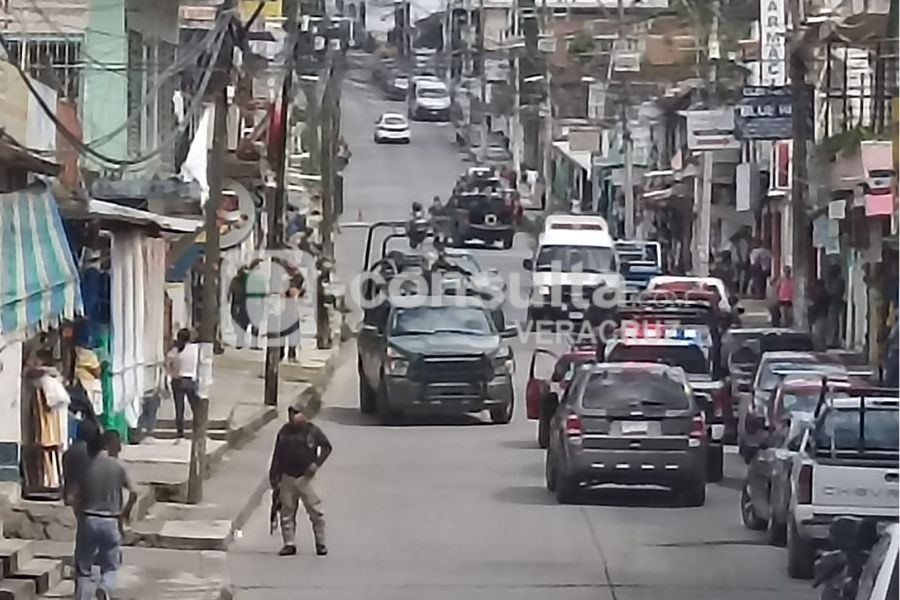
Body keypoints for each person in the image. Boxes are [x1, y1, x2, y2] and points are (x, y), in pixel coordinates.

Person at [74, 431, 138, 600]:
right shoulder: (119, 467)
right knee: (110, 566)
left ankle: (82, 597)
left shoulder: (85, 467)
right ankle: (105, 586)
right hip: (111, 520)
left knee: (84, 568)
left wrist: (79, 515)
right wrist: (125, 513)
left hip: (88, 518)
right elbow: (134, 493)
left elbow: (73, 497)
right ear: (111, 446)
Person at [268, 406, 332, 557]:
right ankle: (289, 543)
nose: (293, 417)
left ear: (304, 414)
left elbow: (327, 447)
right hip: (288, 476)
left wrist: (316, 464)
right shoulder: (284, 432)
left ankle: (320, 543)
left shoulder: (312, 431)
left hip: (306, 478)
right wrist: (274, 475)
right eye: (291, 414)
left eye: (296, 413)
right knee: (287, 512)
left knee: (316, 512)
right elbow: (277, 454)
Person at [165, 329, 200, 439]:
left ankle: (180, 432)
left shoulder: (174, 351)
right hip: (191, 380)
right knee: (196, 407)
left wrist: (173, 373)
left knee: (179, 407)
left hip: (178, 380)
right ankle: (197, 429)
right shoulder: (195, 349)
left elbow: (167, 364)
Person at [825, 265, 846, 348]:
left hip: (834, 302)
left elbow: (832, 291)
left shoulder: (836, 281)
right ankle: (833, 340)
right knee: (834, 322)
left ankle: (832, 341)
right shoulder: (838, 281)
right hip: (834, 302)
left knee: (833, 322)